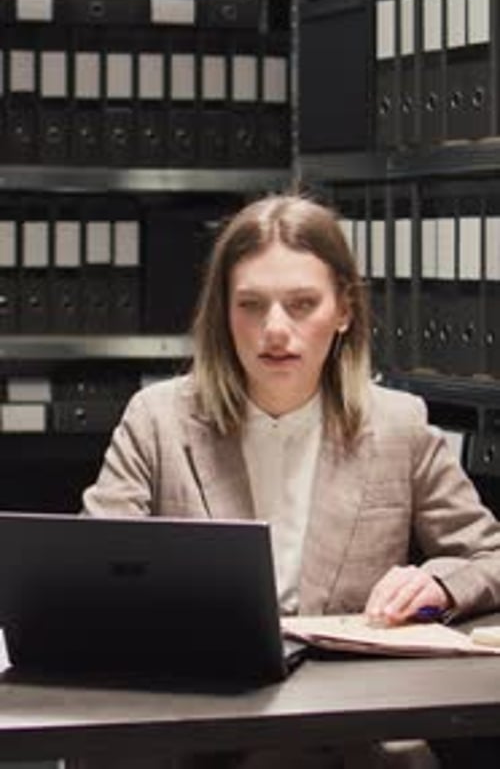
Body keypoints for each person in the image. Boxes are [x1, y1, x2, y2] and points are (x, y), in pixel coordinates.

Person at [82, 193, 500, 768]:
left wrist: (441, 586)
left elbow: (491, 556)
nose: (274, 330)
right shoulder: (157, 419)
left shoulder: (397, 424)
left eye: (302, 303)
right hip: (199, 726)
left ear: (344, 310)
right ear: (223, 314)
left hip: (355, 730)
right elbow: (86, 573)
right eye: (251, 305)